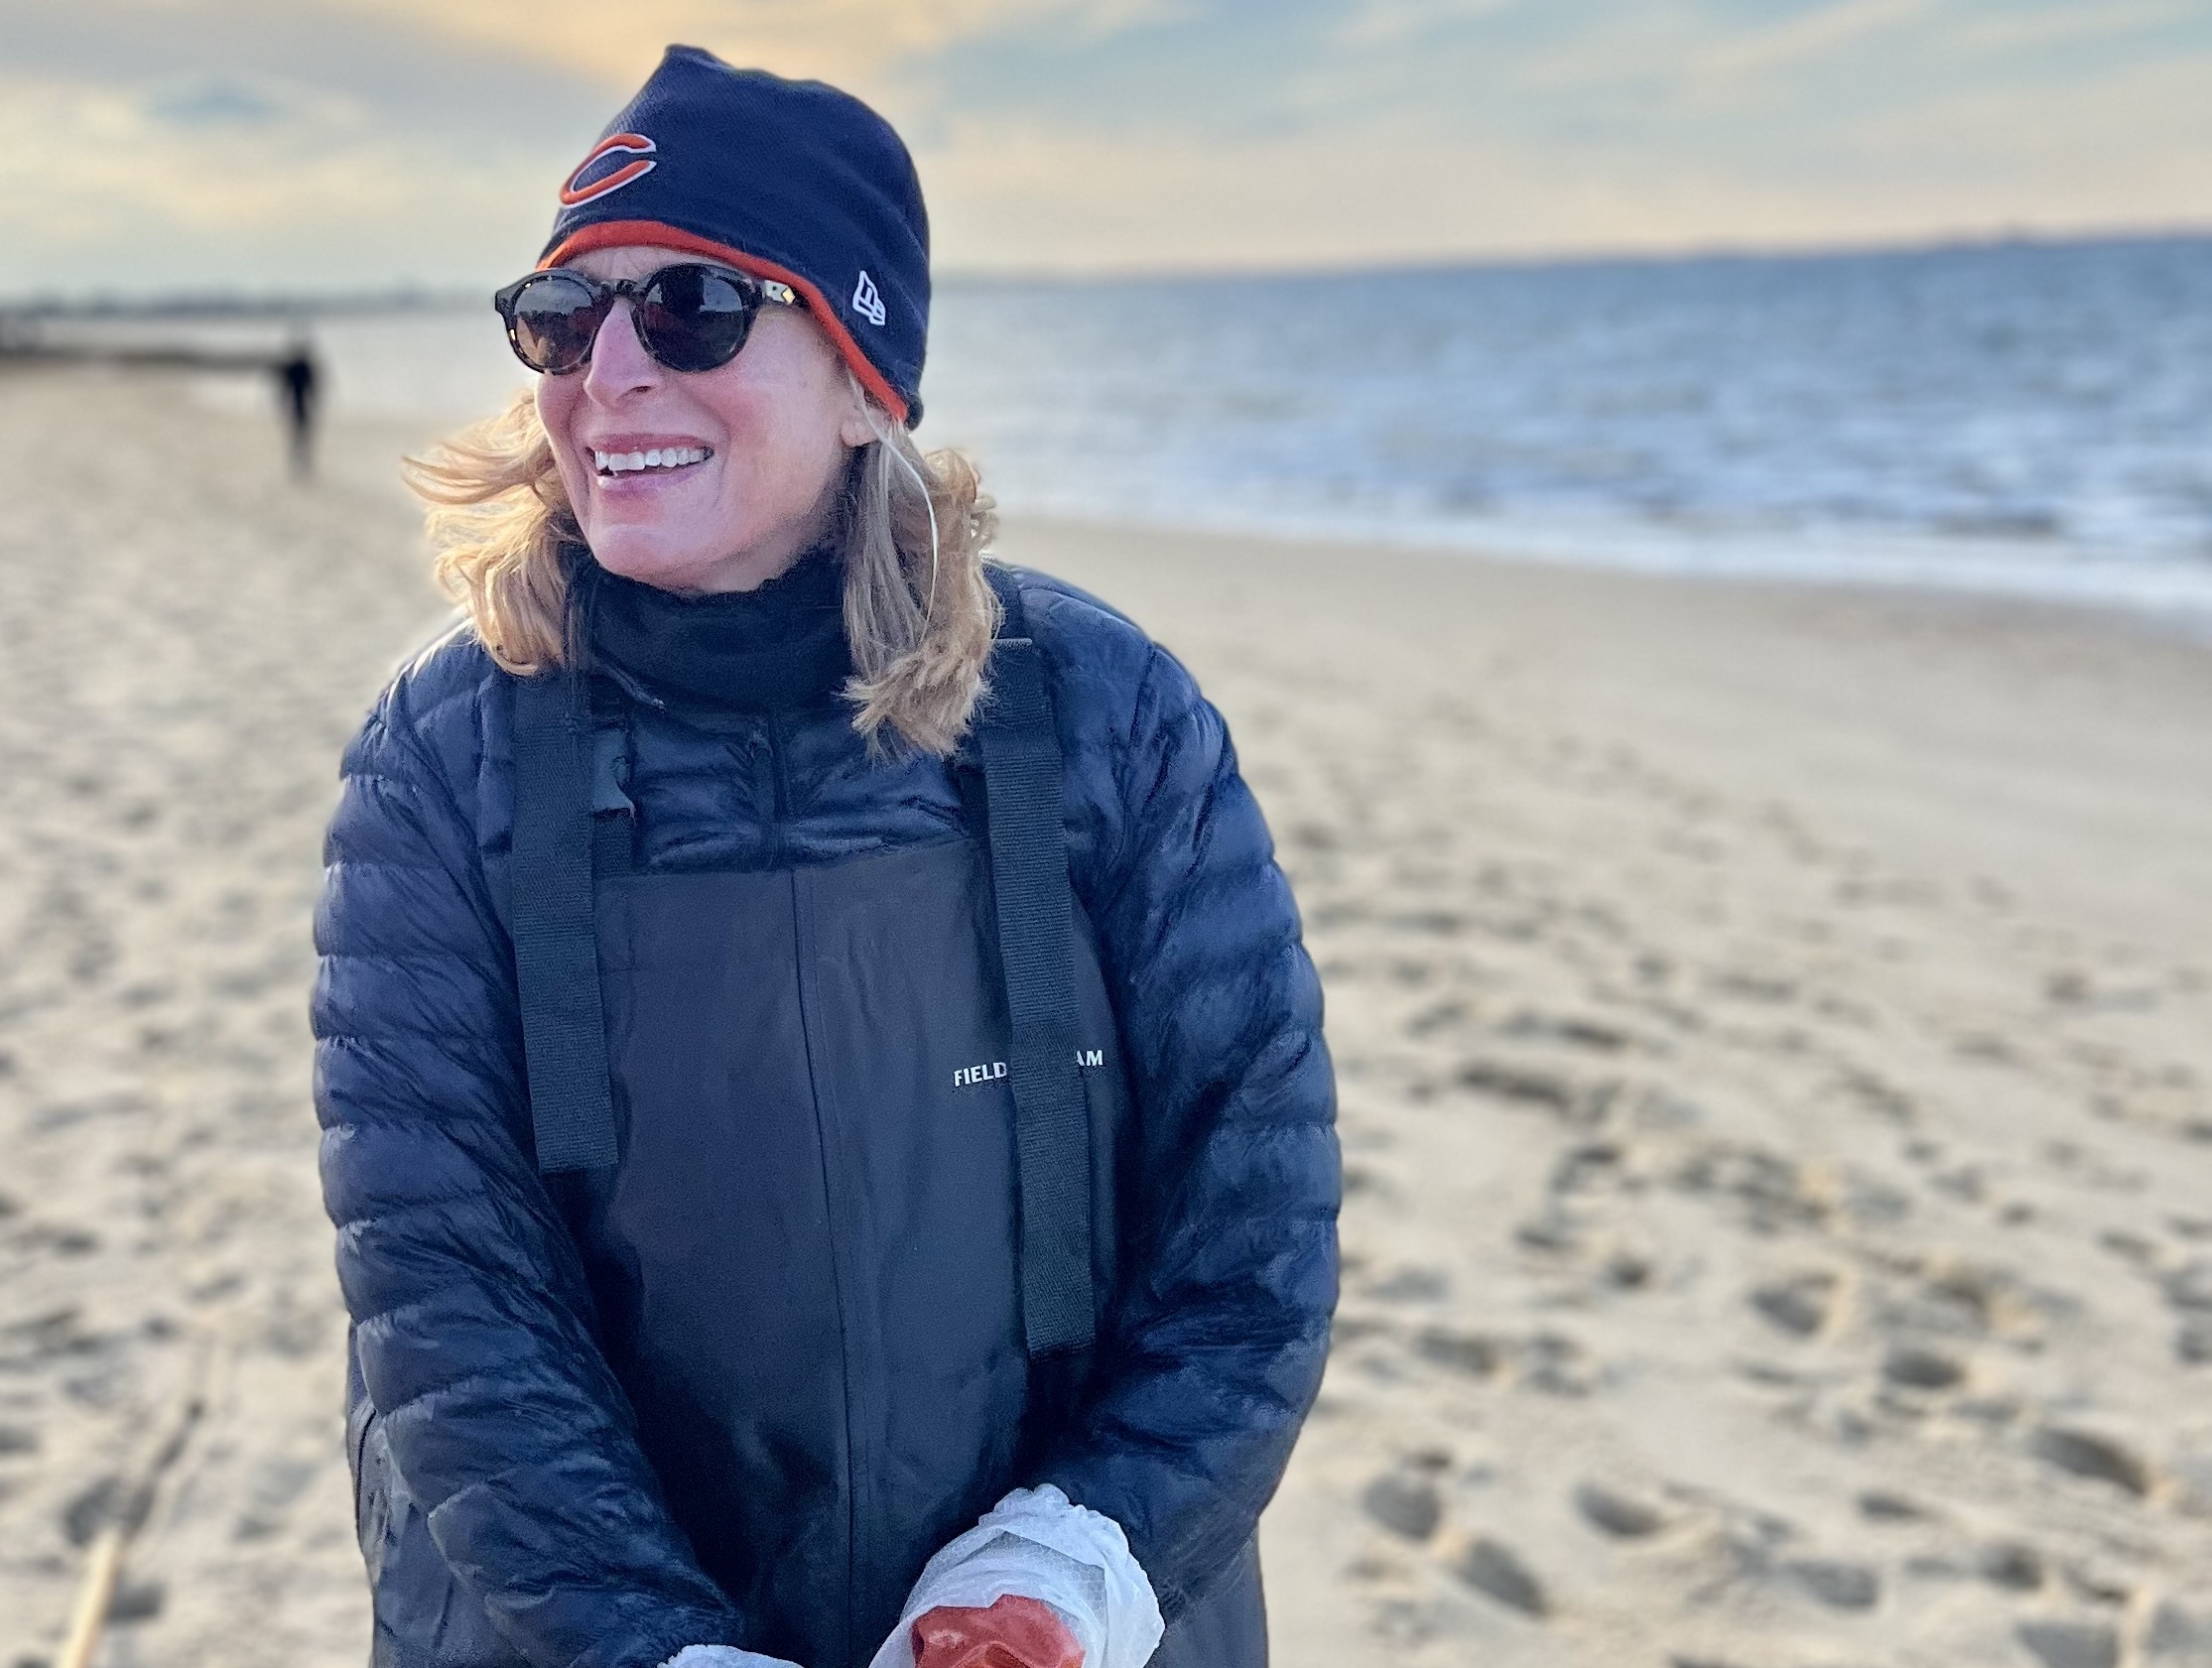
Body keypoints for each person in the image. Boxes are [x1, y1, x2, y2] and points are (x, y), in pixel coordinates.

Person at [314, 47, 1337, 1668]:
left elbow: (1248, 1224)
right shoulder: (443, 762)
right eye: (562, 321)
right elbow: (449, 1296)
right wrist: (661, 1645)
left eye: (696, 309)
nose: (610, 375)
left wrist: (1066, 1565)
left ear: (867, 376)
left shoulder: (1104, 713)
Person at [275, 335, 319, 478]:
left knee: (297, 434)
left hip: (296, 404)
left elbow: (284, 387)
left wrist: (281, 403)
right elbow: (313, 387)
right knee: (302, 433)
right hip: (301, 404)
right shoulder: (303, 366)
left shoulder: (294, 366)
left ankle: (299, 459)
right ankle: (302, 460)